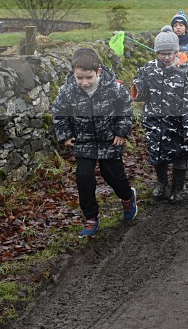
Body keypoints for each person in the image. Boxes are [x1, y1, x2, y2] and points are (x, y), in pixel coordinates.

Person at [52, 47, 137, 238]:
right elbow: (59, 112)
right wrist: (65, 134)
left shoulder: (113, 88)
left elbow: (125, 108)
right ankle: (90, 217)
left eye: (88, 78)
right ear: (73, 74)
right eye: (79, 78)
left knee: (113, 175)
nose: (84, 82)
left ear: (98, 72)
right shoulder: (68, 91)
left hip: (110, 140)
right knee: (84, 179)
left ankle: (127, 196)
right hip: (83, 142)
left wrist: (121, 131)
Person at [131, 26, 188, 203]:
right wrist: (138, 88)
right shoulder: (148, 69)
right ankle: (161, 182)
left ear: (177, 51)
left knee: (179, 155)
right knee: (158, 154)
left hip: (178, 123)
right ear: (156, 52)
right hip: (155, 122)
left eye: (170, 53)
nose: (166, 57)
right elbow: (143, 94)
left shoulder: (185, 70)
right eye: (162, 53)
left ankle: (178, 188)